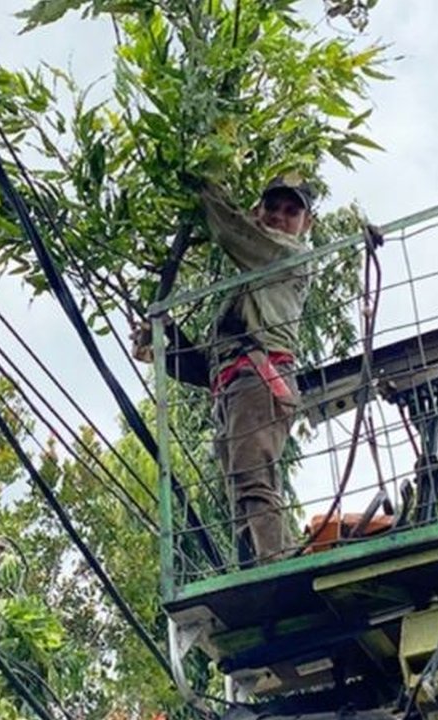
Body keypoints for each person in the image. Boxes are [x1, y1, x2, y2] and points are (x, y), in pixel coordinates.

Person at [136, 174, 315, 566]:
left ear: (307, 224)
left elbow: (230, 230)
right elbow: (208, 368)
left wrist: (203, 182)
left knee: (252, 478)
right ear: (258, 211)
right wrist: (167, 335)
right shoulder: (247, 284)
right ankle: (255, 567)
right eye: (272, 208)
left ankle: (277, 563)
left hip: (260, 381)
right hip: (236, 387)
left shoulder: (285, 255)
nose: (279, 218)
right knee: (241, 489)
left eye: (291, 211)